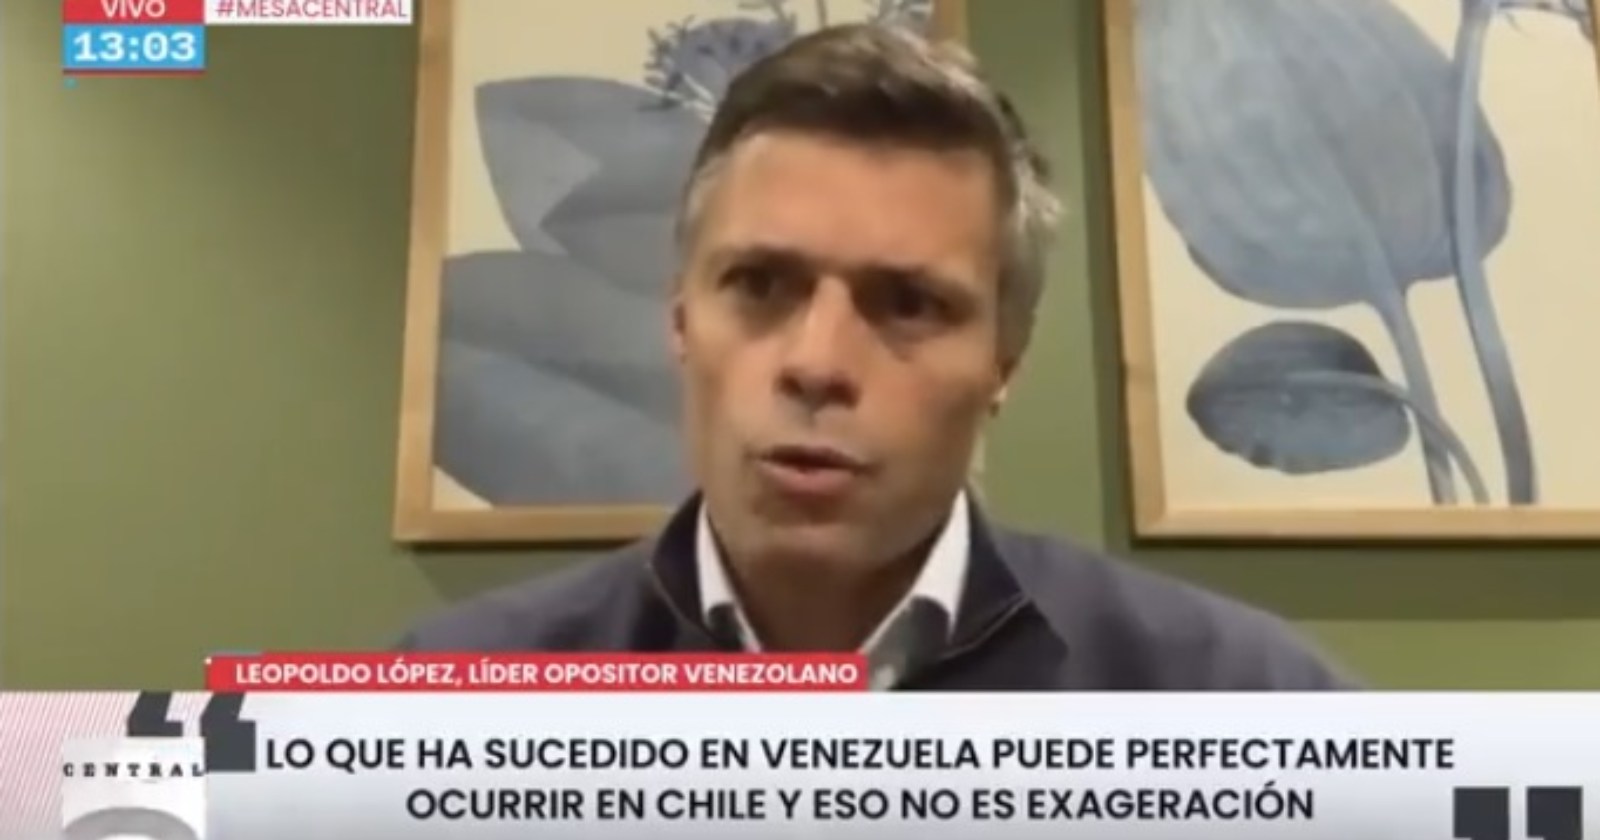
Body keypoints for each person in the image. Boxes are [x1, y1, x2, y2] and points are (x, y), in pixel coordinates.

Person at [399, 24, 1354, 690]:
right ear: (682, 318)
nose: (817, 363)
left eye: (908, 304)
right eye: (760, 284)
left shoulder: (1248, 708)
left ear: (1005, 360)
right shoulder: (437, 713)